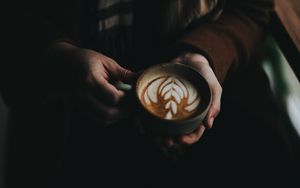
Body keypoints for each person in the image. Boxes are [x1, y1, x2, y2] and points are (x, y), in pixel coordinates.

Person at [2, 0, 296, 187]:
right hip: (68, 120)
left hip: (226, 99)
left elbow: (254, 7)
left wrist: (206, 53)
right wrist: (54, 55)